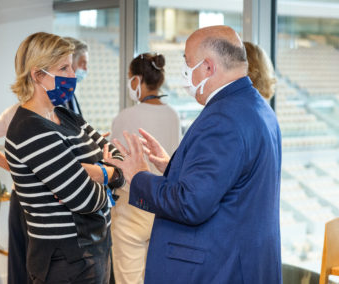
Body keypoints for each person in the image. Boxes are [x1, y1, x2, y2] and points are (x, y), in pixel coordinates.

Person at [105, 25, 282, 284]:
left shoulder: (224, 118)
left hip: (220, 266)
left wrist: (139, 175)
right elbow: (228, 180)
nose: (184, 74)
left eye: (188, 64)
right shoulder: (255, 106)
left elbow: (191, 204)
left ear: (208, 67)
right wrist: (172, 166)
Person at [0, 36, 92, 284]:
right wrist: (17, 167)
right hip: (33, 205)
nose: (75, 74)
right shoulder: (20, 116)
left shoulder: (62, 110)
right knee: (29, 267)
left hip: (69, 212)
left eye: (72, 66)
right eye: (65, 67)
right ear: (38, 74)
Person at [110, 53, 180, 284]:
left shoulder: (125, 116)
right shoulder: (173, 115)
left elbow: (114, 163)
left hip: (131, 208)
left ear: (136, 80)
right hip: (163, 207)